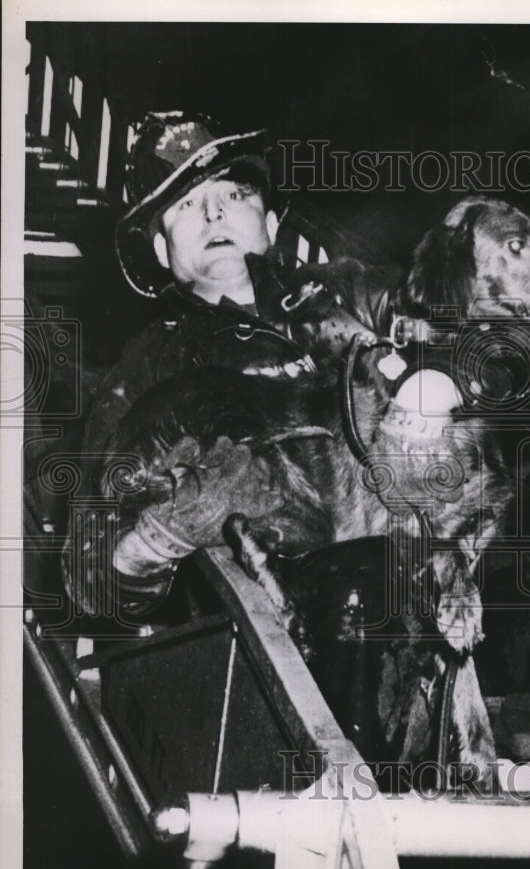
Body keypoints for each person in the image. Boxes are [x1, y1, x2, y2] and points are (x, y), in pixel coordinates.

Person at [62, 110, 392, 621]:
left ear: (271, 222)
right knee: (361, 583)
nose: (215, 214)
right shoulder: (149, 362)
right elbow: (88, 578)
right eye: (188, 204)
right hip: (263, 629)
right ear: (160, 247)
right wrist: (161, 536)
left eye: (234, 196)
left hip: (414, 551)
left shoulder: (348, 300)